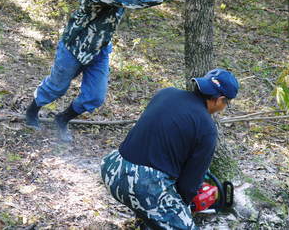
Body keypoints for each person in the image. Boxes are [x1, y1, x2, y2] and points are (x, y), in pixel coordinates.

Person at [25, 0, 183, 142]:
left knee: (95, 97)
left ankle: (62, 119)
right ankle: (31, 111)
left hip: (99, 49)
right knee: (55, 88)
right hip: (75, 48)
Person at [100, 68, 240, 230]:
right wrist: (184, 209)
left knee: (151, 200)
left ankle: (146, 220)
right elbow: (188, 186)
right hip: (141, 185)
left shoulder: (166, 93)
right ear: (219, 100)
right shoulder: (207, 128)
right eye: (226, 103)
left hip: (112, 168)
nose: (224, 106)